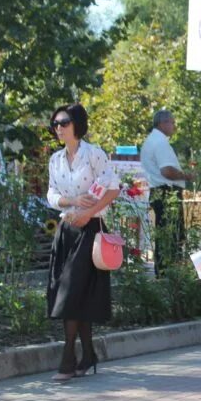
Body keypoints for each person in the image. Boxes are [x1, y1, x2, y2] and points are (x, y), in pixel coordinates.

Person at [46, 103, 120, 381]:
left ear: (77, 124)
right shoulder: (55, 160)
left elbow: (113, 188)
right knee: (75, 294)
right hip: (66, 231)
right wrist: (72, 201)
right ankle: (87, 354)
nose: (59, 128)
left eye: (64, 122)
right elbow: (51, 195)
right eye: (55, 124)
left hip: (91, 230)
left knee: (71, 291)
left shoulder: (94, 154)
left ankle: (68, 358)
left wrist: (88, 212)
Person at [140, 109, 193, 276]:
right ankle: (169, 275)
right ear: (162, 124)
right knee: (171, 236)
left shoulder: (152, 140)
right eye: (172, 122)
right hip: (166, 192)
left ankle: (164, 272)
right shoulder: (160, 142)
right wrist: (186, 176)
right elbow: (167, 171)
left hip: (158, 191)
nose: (174, 126)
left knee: (165, 235)